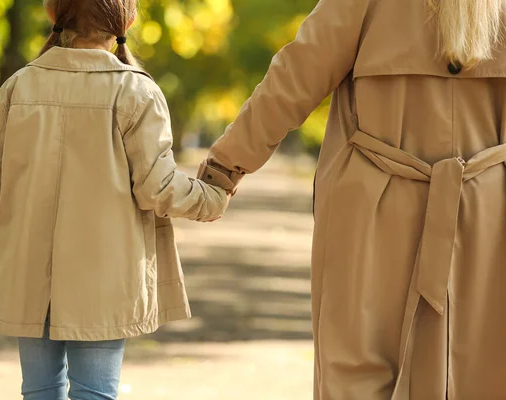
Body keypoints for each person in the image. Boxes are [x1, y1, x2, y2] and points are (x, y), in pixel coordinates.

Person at [198, 0, 506, 398]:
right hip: (489, 215)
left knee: (358, 371)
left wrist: (223, 169)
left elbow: (293, 79)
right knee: (481, 369)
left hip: (372, 208)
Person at [0, 0, 230, 399]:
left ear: (53, 15)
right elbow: (157, 188)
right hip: (106, 278)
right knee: (95, 392)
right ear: (127, 20)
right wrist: (212, 198)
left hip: (24, 270)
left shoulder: (17, 88)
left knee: (39, 391)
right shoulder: (136, 90)